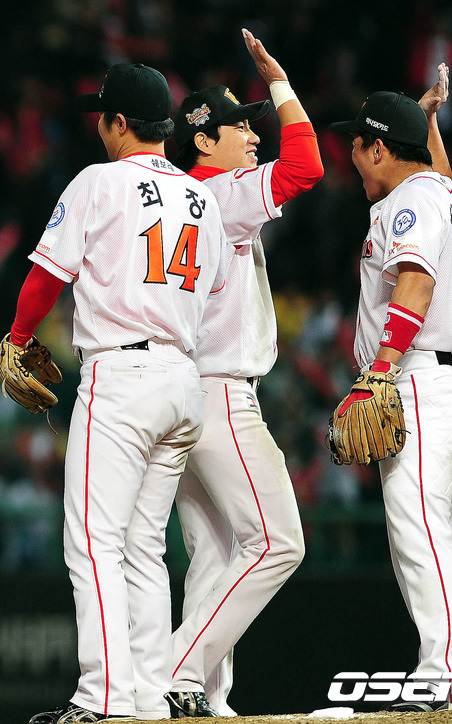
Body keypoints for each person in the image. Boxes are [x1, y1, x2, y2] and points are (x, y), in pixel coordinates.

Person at [8, 62, 226, 723]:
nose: (99, 127)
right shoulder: (202, 198)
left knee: (94, 542)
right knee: (143, 546)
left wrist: (17, 338)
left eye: (103, 116)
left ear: (121, 122)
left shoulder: (98, 182)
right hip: (183, 379)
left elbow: (46, 277)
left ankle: (101, 698)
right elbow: (216, 292)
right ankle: (149, 697)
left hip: (123, 377)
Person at [150, 28, 323, 717]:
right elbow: (306, 165)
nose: (255, 137)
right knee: (278, 542)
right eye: (239, 128)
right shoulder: (218, 194)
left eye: (254, 124)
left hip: (178, 390)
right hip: (221, 395)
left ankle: (203, 697)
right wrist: (279, 82)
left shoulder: (169, 200)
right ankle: (177, 672)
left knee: (216, 555)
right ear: (201, 141)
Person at [328, 64, 452, 712]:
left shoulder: (411, 201)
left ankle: (444, 677)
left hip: (416, 378)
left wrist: (381, 367)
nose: (353, 157)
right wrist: (429, 122)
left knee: (420, 534)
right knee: (422, 535)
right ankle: (444, 674)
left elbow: (415, 280)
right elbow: (438, 174)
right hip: (433, 380)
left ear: (380, 148)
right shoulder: (437, 189)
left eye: (358, 144)